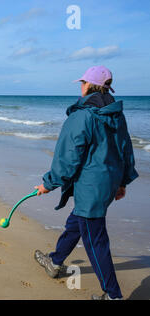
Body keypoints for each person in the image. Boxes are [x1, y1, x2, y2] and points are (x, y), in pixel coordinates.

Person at [33, 66, 138, 300]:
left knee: (95, 241)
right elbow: (125, 150)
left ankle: (113, 295)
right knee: (77, 223)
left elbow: (68, 156)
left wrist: (48, 183)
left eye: (82, 83)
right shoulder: (116, 114)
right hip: (106, 184)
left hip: (91, 187)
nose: (80, 87)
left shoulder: (83, 115)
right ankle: (55, 260)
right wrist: (122, 182)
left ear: (89, 86)